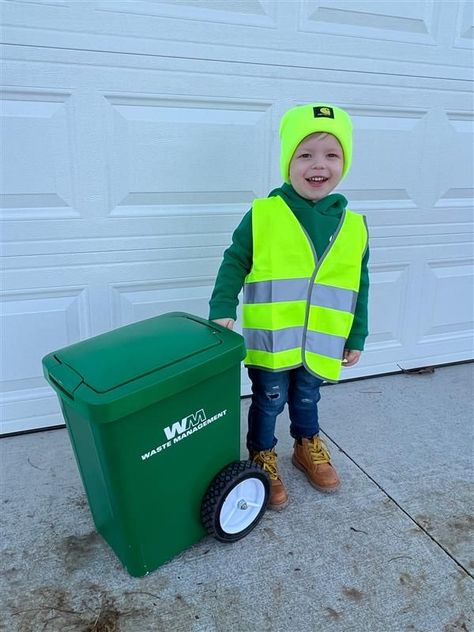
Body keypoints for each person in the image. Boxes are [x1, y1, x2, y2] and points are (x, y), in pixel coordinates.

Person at [209, 103, 369, 510]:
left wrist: (357, 333)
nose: (319, 165)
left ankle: (305, 446)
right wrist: (222, 305)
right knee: (270, 398)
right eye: (305, 155)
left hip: (320, 341)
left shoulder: (354, 226)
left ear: (344, 163)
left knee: (306, 398)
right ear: (288, 162)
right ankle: (262, 454)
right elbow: (235, 260)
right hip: (274, 338)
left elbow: (359, 284)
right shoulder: (264, 214)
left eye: (332, 155)